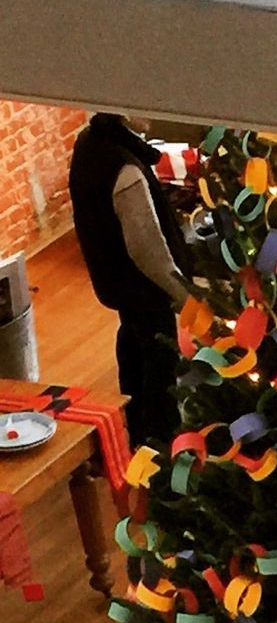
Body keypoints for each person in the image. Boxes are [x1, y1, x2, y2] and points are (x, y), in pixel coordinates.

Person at [66, 112, 200, 450]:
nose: (154, 116)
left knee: (132, 345)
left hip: (115, 282)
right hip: (144, 288)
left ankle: (131, 429)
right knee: (160, 362)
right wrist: (183, 295)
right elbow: (147, 250)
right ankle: (161, 443)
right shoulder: (125, 169)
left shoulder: (88, 143)